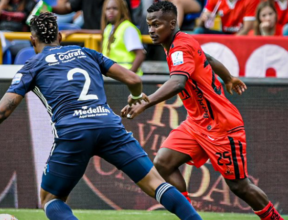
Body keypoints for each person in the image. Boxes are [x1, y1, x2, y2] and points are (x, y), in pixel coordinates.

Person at [0, 12, 202, 220]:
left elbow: (2, 110)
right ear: (61, 37)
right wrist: (136, 96)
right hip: (108, 126)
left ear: (31, 40)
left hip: (73, 131)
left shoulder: (31, 66)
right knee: (156, 183)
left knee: (49, 199)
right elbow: (134, 79)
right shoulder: (86, 52)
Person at [122, 2, 284, 220]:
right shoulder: (182, 40)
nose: (151, 30)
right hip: (196, 124)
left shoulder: (179, 47)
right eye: (149, 24)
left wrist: (146, 102)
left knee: (239, 186)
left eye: (156, 24)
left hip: (221, 126)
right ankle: (190, 216)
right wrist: (228, 78)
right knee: (163, 164)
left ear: (172, 23)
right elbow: (208, 57)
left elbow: (178, 82)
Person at [101, 0, 145, 76]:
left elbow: (140, 55)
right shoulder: (108, 28)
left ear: (122, 10)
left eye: (115, 8)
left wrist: (129, 76)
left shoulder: (127, 28)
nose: (111, 11)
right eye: (108, 9)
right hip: (113, 76)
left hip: (124, 77)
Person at [195, 0, 259, 35]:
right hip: (225, 34)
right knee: (199, 31)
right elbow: (199, 24)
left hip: (242, 36)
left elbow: (246, 30)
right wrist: (204, 19)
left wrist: (229, 42)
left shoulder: (251, 1)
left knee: (250, 33)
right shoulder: (216, 1)